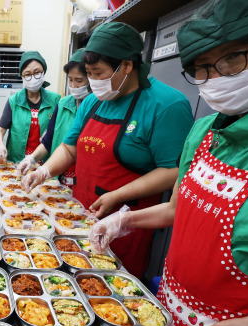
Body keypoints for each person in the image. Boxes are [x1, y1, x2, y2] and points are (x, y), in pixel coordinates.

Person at [89, 0, 248, 326]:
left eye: (233, 58)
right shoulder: (203, 130)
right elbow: (178, 210)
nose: (215, 78)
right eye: (202, 67)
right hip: (172, 315)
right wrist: (124, 219)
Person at [22, 23, 193, 278]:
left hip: (126, 223)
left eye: (98, 73)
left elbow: (172, 171)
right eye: (88, 73)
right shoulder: (93, 101)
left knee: (115, 289)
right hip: (79, 214)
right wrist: (44, 170)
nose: (92, 81)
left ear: (126, 65)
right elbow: (69, 148)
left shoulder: (166, 105)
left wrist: (117, 195)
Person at [17, 49, 90, 187]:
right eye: (70, 80)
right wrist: (31, 159)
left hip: (83, 180)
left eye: (79, 81)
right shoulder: (63, 104)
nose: (73, 86)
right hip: (59, 177)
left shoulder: (98, 107)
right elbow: (48, 141)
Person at [0, 51, 61, 163]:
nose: (33, 78)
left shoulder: (55, 100)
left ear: (43, 72)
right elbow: (0, 129)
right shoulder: (14, 101)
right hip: (17, 162)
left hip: (44, 163)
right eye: (28, 74)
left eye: (37, 73)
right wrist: (0, 146)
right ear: (22, 76)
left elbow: (61, 130)